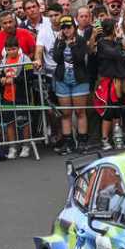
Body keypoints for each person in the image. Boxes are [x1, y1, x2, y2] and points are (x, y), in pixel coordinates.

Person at [94, 17, 125, 150]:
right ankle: (105, 139)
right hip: (108, 81)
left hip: (120, 80)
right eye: (116, 27)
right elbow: (115, 54)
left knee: (118, 111)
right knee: (108, 112)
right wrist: (119, 41)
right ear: (111, 29)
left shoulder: (118, 42)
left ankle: (117, 137)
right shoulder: (102, 43)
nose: (119, 29)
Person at [52, 16, 91, 153]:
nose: (66, 30)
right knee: (66, 113)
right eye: (63, 27)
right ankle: (68, 142)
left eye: (68, 27)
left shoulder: (80, 40)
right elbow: (56, 58)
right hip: (62, 79)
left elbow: (80, 58)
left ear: (74, 27)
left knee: (80, 111)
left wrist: (73, 46)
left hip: (79, 79)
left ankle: (82, 141)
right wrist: (62, 44)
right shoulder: (59, 41)